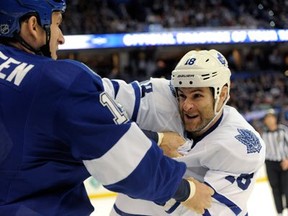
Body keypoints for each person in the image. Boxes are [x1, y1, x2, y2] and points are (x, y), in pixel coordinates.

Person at [0, 1, 214, 215]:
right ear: (33, 25)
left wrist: (156, 139)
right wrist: (187, 190)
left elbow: (56, 130)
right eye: (57, 24)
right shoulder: (59, 81)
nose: (61, 37)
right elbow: (126, 165)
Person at [103, 49, 266, 215]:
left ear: (222, 95)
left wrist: (140, 161)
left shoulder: (242, 145)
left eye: (197, 96)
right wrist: (154, 139)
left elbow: (201, 210)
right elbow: (93, 100)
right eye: (182, 95)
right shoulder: (158, 98)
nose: (186, 106)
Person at [262, 109, 288, 216]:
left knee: (287, 187)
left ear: (275, 118)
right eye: (267, 118)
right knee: (275, 188)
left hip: (284, 162)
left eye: (271, 117)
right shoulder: (264, 134)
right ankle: (279, 212)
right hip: (270, 163)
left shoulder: (283, 130)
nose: (270, 120)